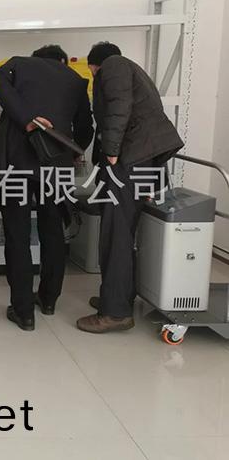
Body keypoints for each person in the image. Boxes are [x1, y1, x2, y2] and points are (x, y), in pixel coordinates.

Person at [77, 42, 183, 334]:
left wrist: (111, 151)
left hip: (128, 162)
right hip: (143, 161)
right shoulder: (136, 72)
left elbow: (118, 106)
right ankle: (120, 297)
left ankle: (115, 313)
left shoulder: (114, 65)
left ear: (94, 65)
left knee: (116, 234)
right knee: (124, 233)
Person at [0, 45, 94, 331]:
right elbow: (86, 128)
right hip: (56, 166)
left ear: (36, 58)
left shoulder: (18, 64)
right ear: (62, 61)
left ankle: (23, 311)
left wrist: (27, 120)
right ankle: (48, 300)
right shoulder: (75, 80)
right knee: (53, 233)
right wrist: (72, 150)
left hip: (16, 165)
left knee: (17, 235)